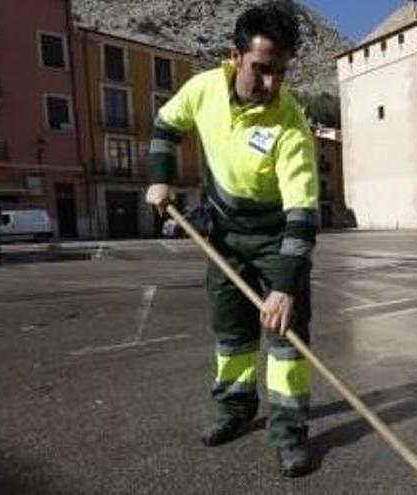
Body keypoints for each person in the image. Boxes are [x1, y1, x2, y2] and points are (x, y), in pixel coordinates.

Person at [144, 1, 318, 478]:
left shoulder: (291, 125)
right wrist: (161, 177)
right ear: (235, 56)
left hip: (275, 235)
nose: (271, 85)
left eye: (280, 73)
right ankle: (235, 409)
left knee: (286, 339)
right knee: (232, 333)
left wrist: (283, 286)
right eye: (262, 70)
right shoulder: (202, 90)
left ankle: (287, 433)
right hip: (222, 233)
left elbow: (302, 214)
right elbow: (165, 125)